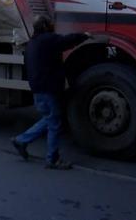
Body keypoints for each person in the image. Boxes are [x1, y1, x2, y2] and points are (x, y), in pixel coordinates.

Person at [11, 15, 89, 170]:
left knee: (50, 119)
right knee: (54, 123)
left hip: (37, 88)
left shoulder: (32, 43)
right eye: (50, 24)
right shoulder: (48, 39)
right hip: (48, 88)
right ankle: (52, 159)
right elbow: (67, 41)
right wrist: (84, 36)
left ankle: (21, 140)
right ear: (46, 26)